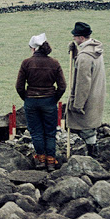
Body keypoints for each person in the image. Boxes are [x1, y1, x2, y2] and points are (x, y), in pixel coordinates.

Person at [16, 33, 66, 171]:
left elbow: (19, 86)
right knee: (50, 132)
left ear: (33, 48)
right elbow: (62, 86)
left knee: (36, 132)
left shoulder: (26, 63)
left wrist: (27, 98)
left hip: (31, 101)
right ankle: (51, 161)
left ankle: (40, 160)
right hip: (49, 101)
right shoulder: (54, 63)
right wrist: (54, 99)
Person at [66, 22, 106, 158]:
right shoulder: (95, 49)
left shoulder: (85, 57)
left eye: (75, 36)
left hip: (87, 97)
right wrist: (75, 53)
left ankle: (91, 155)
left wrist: (78, 104)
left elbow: (83, 83)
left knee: (85, 126)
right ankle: (92, 152)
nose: (73, 38)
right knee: (90, 125)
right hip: (97, 93)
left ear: (81, 38)